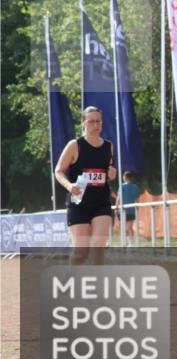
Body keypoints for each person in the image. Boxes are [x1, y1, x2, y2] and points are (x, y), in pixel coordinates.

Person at [55, 106, 117, 265]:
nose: (96, 125)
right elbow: (58, 171)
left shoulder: (108, 146)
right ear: (83, 122)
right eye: (91, 122)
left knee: (98, 246)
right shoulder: (74, 146)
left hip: (101, 202)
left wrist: (112, 173)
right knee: (80, 253)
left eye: (99, 122)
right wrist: (69, 186)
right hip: (79, 203)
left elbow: (108, 170)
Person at [116, 170, 143, 245]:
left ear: (125, 177)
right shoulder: (135, 187)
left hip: (123, 209)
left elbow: (119, 198)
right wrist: (137, 206)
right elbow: (137, 198)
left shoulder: (122, 186)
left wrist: (116, 208)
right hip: (132, 209)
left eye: (123, 177)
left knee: (126, 227)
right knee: (129, 227)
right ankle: (131, 242)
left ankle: (131, 242)